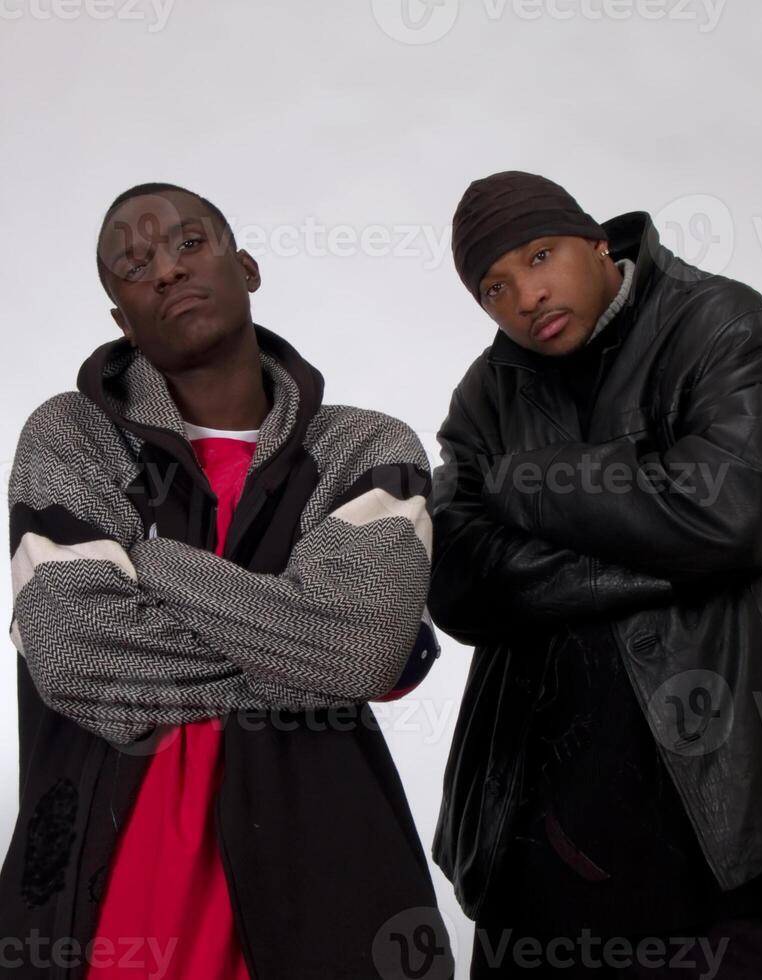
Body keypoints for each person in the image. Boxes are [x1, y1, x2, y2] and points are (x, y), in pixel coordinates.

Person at [1, 182, 455, 980]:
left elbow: (362, 652)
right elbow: (74, 656)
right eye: (133, 265)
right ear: (122, 320)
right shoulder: (70, 434)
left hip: (323, 874)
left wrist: (152, 565)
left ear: (245, 266)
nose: (167, 270)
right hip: (106, 895)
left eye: (188, 243)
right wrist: (311, 643)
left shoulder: (363, 447)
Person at [428, 171, 762, 977]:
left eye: (540, 256)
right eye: (495, 287)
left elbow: (739, 518)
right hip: (546, 827)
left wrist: (521, 482)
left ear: (599, 242)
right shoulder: (486, 393)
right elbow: (458, 582)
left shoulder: (724, 324)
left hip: (738, 811)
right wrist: (673, 553)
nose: (526, 296)